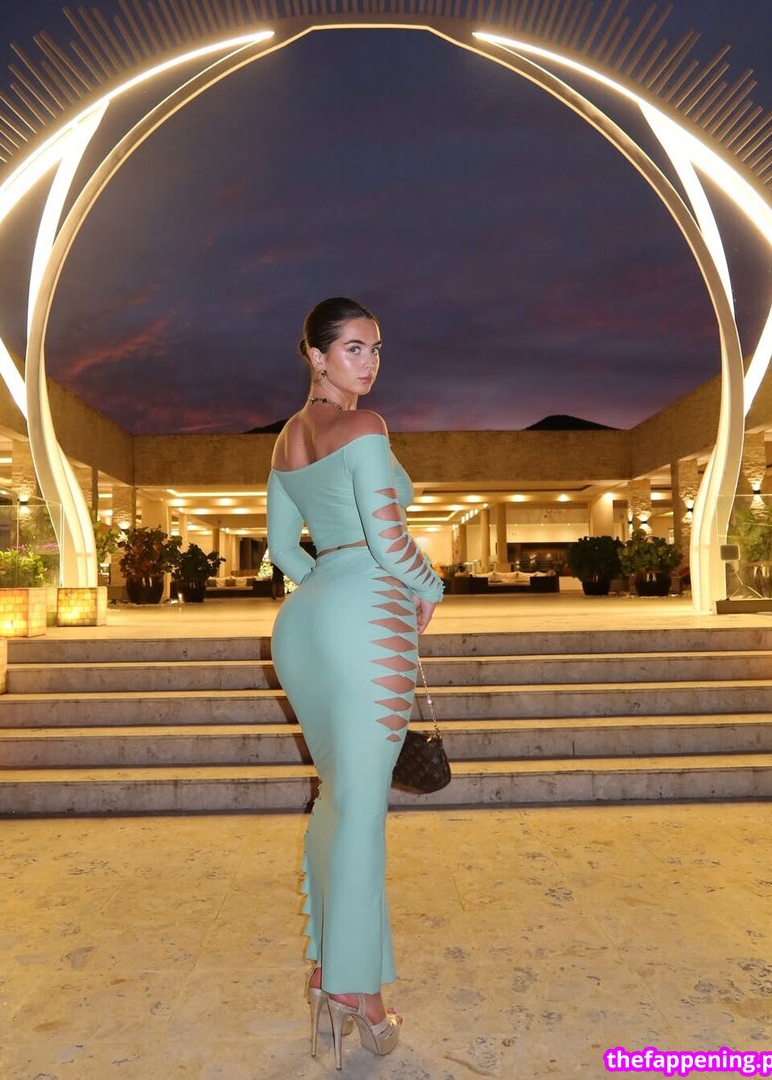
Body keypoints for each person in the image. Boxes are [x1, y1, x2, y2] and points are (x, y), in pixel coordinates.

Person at [266, 297, 444, 1070]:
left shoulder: (286, 439)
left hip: (303, 624)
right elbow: (389, 539)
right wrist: (431, 588)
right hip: (370, 616)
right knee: (361, 813)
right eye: (351, 348)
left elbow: (283, 549)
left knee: (339, 801)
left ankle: (335, 977)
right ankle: (350, 992)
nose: (367, 363)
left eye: (374, 349)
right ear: (315, 355)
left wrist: (327, 589)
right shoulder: (366, 428)